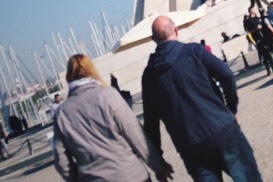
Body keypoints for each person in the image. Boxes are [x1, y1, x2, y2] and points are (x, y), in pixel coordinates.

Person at [142, 15, 262, 181]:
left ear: (153, 39)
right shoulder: (193, 51)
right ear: (176, 30)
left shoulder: (149, 76)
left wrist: (159, 162)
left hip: (191, 147)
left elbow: (151, 124)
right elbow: (226, 74)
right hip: (222, 129)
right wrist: (231, 108)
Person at [53, 53, 171, 182]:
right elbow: (136, 135)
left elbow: (61, 160)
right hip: (130, 174)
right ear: (91, 70)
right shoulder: (108, 95)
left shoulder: (62, 113)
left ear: (69, 76)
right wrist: (159, 167)